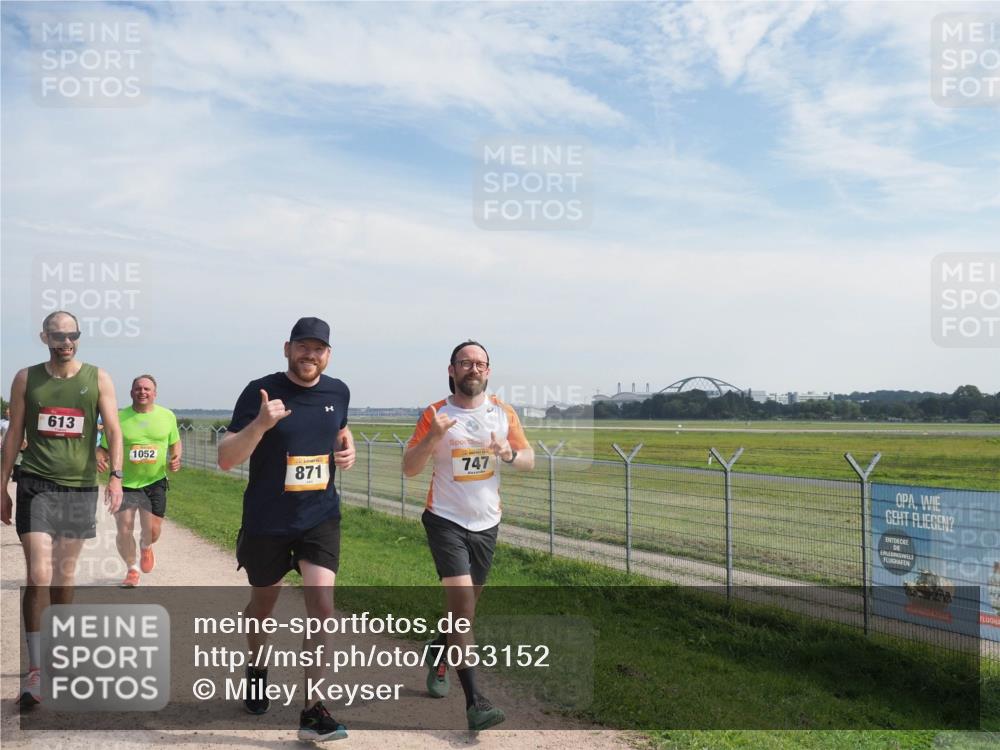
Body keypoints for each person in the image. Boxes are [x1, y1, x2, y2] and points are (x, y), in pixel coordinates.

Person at [217, 317, 355, 741]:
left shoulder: (339, 391)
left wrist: (346, 445)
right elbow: (226, 458)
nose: (310, 355)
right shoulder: (260, 391)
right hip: (268, 520)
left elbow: (339, 427)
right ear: (287, 348)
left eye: (318, 348)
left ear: (328, 354)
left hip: (319, 516)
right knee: (263, 606)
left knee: (322, 607)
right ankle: (257, 667)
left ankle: (312, 711)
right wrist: (260, 424)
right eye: (302, 346)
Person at [403, 340, 533, 731]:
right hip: (445, 520)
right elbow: (409, 467)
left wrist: (508, 454)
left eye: (480, 363)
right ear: (451, 370)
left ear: (488, 371)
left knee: (464, 612)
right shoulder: (435, 413)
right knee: (463, 610)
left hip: (487, 524)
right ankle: (476, 702)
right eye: (465, 362)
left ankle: (438, 650)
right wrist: (432, 437)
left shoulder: (503, 413)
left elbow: (528, 460)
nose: (473, 368)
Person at [0, 311, 124, 708]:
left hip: (79, 487)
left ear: (78, 337)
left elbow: (114, 430)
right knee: (38, 573)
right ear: (45, 338)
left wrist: (116, 476)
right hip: (35, 482)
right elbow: (14, 434)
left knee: (62, 576)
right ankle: (36, 671)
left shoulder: (98, 378)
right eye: (58, 335)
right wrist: (1, 485)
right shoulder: (26, 378)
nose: (65, 342)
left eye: (72, 335)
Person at [96, 374, 181, 587]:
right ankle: (132, 570)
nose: (142, 392)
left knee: (153, 531)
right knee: (124, 528)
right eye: (138, 388)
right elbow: (104, 448)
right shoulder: (119, 417)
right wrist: (99, 458)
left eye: (147, 389)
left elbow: (175, 443)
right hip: (124, 482)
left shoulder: (167, 416)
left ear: (154, 393)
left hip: (155, 481)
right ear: (131, 392)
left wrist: (175, 458)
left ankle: (146, 546)